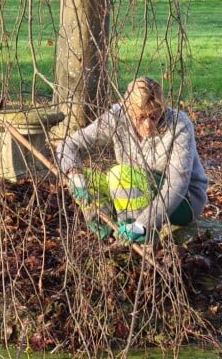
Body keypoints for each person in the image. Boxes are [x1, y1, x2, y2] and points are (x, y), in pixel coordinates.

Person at [56, 76, 208, 243]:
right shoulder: (117, 116)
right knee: (87, 180)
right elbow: (68, 145)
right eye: (141, 117)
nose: (148, 125)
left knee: (119, 175)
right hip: (137, 188)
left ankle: (139, 241)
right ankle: (111, 235)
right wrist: (74, 174)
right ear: (128, 110)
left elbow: (177, 184)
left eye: (154, 116)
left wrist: (142, 224)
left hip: (182, 201)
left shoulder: (179, 124)